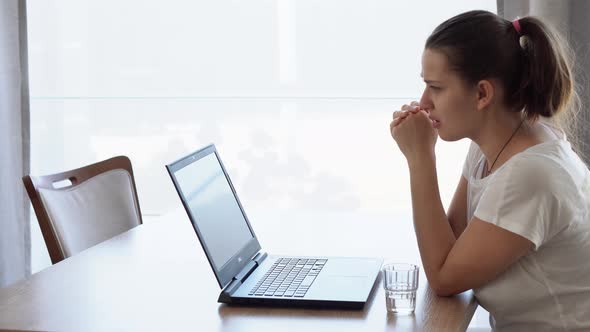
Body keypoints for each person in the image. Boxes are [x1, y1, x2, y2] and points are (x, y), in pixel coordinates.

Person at [389, 10, 590, 331]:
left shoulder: (531, 172)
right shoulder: (492, 146)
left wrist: (420, 159)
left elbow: (444, 277)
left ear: (482, 93)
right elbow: (452, 243)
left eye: (436, 87)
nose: (424, 101)